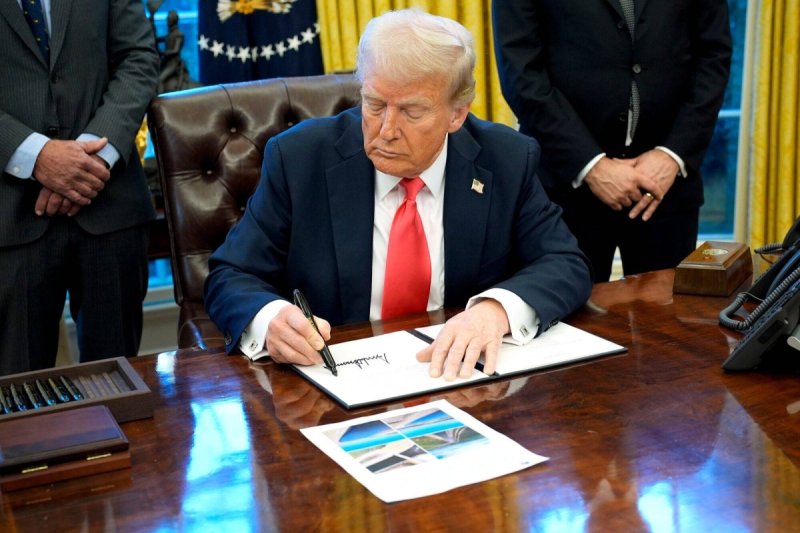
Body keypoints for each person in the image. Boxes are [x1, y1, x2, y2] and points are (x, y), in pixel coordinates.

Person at [204, 8, 592, 381]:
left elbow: (564, 262)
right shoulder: (299, 159)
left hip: (457, 378)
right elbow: (232, 274)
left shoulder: (506, 159)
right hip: (336, 380)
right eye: (374, 105)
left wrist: (494, 311)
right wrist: (270, 318)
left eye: (411, 111)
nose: (386, 130)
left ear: (457, 114)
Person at [492, 0, 733, 282]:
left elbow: (714, 57)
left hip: (665, 187)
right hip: (564, 186)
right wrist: (591, 165)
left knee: (667, 309)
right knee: (563, 306)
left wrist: (672, 154)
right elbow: (521, 73)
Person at [0, 0, 160, 374]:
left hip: (110, 207)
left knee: (120, 388)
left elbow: (138, 58)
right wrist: (37, 156)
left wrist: (92, 161)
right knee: (18, 396)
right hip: (10, 216)